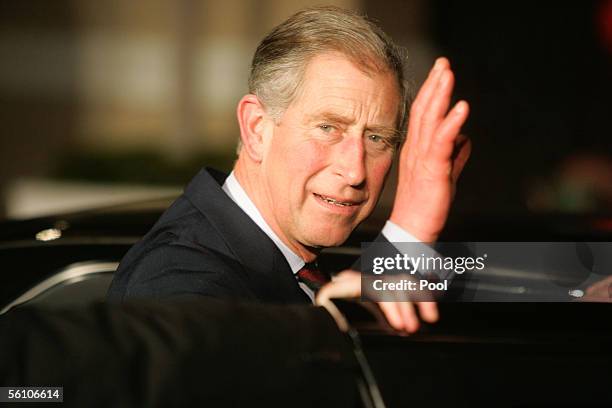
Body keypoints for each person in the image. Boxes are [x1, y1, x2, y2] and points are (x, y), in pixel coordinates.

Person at [107, 6, 471, 333]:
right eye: (328, 128)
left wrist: (411, 241)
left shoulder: (304, 258)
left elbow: (508, 282)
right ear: (256, 128)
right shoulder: (177, 273)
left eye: (377, 138)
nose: (355, 171)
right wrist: (405, 234)